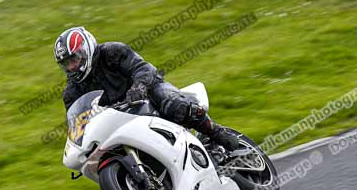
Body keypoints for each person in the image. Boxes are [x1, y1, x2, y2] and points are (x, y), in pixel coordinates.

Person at [55, 26, 239, 151]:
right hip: (117, 120)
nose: (71, 67)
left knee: (173, 104)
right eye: (66, 64)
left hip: (147, 93)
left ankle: (216, 132)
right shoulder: (71, 92)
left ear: (86, 50)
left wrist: (139, 87)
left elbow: (143, 68)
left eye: (74, 59)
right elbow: (78, 124)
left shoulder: (112, 52)